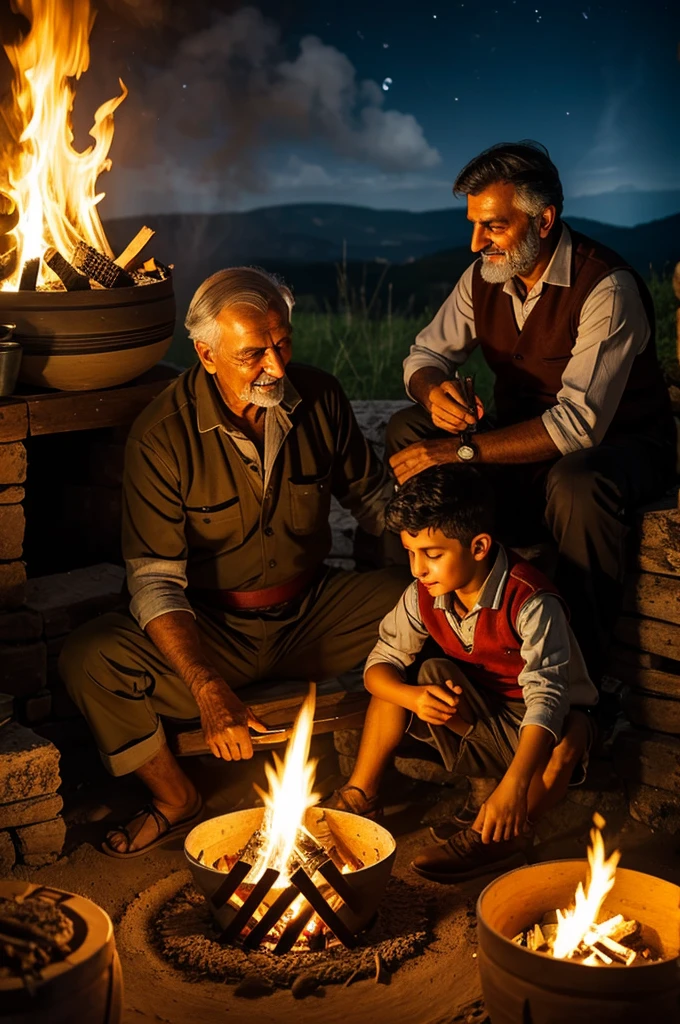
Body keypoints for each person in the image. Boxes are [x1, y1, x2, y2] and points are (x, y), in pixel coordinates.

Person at [59, 266, 408, 858]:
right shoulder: (161, 435)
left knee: (430, 603)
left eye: (283, 342)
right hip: (212, 630)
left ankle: (364, 789)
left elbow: (374, 501)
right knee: (90, 658)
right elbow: (154, 583)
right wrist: (205, 682)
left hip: (314, 616)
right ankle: (176, 799)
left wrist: (449, 563)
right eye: (253, 354)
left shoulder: (319, 397)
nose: (275, 366)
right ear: (206, 353)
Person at [385, 141, 676, 682]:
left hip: (620, 448)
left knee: (576, 482)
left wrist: (461, 448)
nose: (476, 243)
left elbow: (577, 427)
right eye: (474, 224)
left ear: (543, 220)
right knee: (409, 428)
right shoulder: (486, 277)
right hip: (523, 443)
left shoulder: (607, 288)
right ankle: (441, 624)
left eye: (493, 227)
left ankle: (579, 678)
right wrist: (433, 393)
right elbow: (425, 355)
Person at [333, 464, 598, 882]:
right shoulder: (422, 593)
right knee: (412, 677)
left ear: (478, 547)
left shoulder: (530, 601)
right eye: (410, 553)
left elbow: (547, 702)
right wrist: (413, 698)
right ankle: (359, 796)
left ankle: (502, 835)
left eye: (432, 555)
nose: (418, 568)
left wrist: (514, 787)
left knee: (571, 734)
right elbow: (379, 665)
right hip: (485, 719)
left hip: (539, 733)